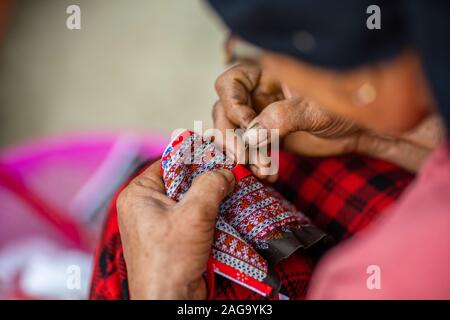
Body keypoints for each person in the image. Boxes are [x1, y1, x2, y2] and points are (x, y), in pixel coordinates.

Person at [90, 1, 450, 299]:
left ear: (363, 78)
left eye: (261, 50)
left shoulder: (376, 283)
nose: (261, 67)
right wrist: (369, 133)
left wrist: (167, 294)